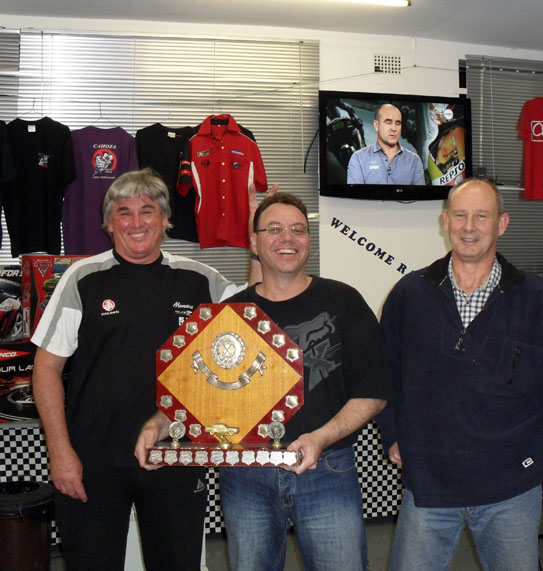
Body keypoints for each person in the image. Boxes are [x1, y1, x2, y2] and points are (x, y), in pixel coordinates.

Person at [376, 178, 543, 570]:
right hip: (428, 485)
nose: (469, 226)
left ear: (502, 224)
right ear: (445, 221)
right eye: (460, 215)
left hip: (511, 487)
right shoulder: (410, 294)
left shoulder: (539, 300)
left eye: (482, 216)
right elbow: (382, 371)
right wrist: (392, 434)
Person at [138, 192, 394, 570]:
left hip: (327, 471)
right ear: (254, 242)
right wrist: (158, 425)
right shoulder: (227, 315)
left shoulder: (343, 301)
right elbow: (196, 394)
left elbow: (374, 391)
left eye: (297, 230)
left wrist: (321, 438)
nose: (286, 238)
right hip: (245, 476)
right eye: (273, 229)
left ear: (309, 239)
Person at [31, 168, 265, 570]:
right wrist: (59, 451)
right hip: (92, 461)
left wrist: (255, 237)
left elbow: (255, 312)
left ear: (165, 219)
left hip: (175, 455)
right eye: (124, 212)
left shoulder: (198, 280)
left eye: (148, 210)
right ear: (108, 223)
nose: (136, 222)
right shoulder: (82, 278)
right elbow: (46, 368)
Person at [347, 103, 425, 185]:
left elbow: (419, 194)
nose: (394, 128)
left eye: (398, 123)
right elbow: (356, 193)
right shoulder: (358, 158)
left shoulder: (414, 160)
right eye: (388, 122)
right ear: (376, 125)